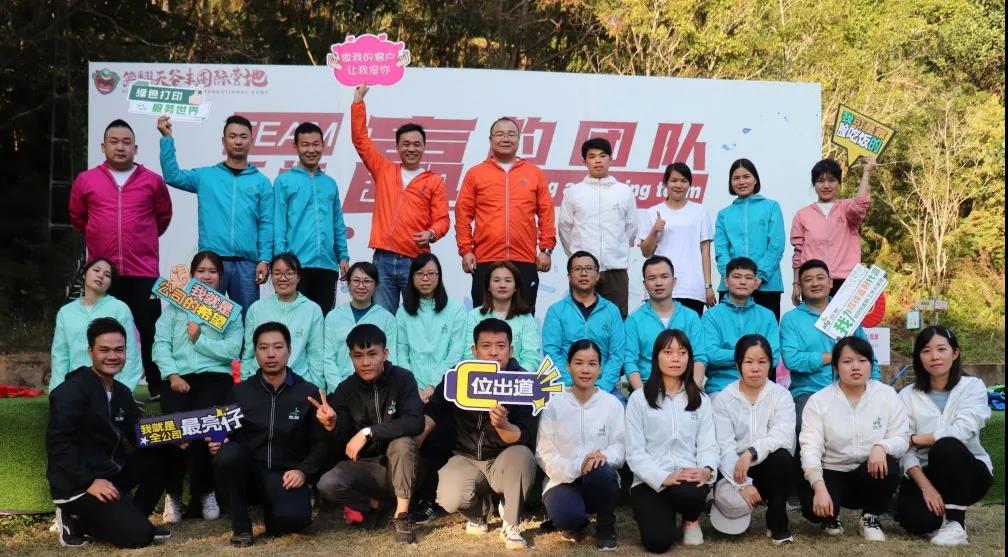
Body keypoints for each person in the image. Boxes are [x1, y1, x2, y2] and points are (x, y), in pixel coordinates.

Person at [69, 118, 172, 397]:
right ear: (103, 146)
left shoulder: (152, 181)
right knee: (100, 329)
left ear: (135, 148)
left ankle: (156, 385)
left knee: (150, 329)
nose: (120, 147)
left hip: (143, 269)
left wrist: (141, 239)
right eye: (114, 142)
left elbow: (163, 217)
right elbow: (79, 217)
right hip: (103, 272)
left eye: (126, 142)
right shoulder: (86, 180)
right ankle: (96, 386)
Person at [46, 317, 170, 548]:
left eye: (119, 350)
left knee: (164, 453)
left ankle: (132, 518)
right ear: (90, 351)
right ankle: (73, 517)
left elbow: (138, 435)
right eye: (104, 350)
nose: (113, 356)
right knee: (140, 537)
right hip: (79, 485)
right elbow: (58, 445)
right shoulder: (70, 391)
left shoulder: (121, 392)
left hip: (110, 475)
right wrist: (89, 482)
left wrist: (175, 438)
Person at [211, 322, 328, 547]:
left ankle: (276, 512)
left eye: (278, 347)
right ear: (255, 352)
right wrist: (219, 442)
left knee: (294, 521)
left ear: (289, 351)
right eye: (263, 348)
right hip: (249, 473)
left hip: (285, 475)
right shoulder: (240, 392)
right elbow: (224, 433)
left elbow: (320, 444)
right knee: (228, 455)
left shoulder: (307, 393)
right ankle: (241, 527)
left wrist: (303, 471)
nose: (271, 354)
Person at [426, 318, 539, 550]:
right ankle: (480, 513)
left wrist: (503, 425)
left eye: (501, 346)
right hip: (466, 457)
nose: (493, 352)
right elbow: (434, 411)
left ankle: (511, 523)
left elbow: (525, 435)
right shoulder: (458, 376)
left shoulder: (524, 381)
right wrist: (413, 439)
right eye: (486, 346)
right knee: (449, 497)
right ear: (474, 350)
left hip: (505, 458)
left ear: (511, 350)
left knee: (523, 455)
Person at [153, 250, 244, 524]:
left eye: (212, 271)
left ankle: (206, 491)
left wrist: (200, 339)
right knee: (175, 431)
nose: (206, 276)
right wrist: (172, 375)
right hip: (178, 378)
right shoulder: (175, 306)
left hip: (215, 378)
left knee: (206, 428)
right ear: (192, 275)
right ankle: (173, 495)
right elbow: (161, 344)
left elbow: (231, 350)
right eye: (201, 271)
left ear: (221, 276)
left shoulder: (229, 312)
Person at [313, 324, 424, 545]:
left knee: (402, 443)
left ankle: (402, 515)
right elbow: (339, 445)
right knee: (327, 483)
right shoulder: (345, 390)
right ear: (350, 357)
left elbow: (415, 421)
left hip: (403, 464)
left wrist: (369, 432)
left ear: (385, 353)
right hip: (367, 469)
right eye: (358, 356)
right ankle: (377, 506)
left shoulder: (403, 378)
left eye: (372, 354)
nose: (365, 362)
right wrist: (331, 426)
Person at [158, 114, 273, 317]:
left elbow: (266, 223)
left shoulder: (261, 182)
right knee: (205, 320)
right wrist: (167, 138)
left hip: (247, 265)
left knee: (248, 322)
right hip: (210, 264)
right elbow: (173, 176)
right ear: (223, 141)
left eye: (243, 137)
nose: (238, 141)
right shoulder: (206, 176)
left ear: (251, 141)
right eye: (233, 136)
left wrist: (264, 259)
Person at [350, 84, 450, 315]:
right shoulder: (384, 170)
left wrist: (431, 233)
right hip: (383, 259)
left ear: (424, 147)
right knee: (383, 319)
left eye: (416, 144)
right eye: (405, 144)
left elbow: (443, 220)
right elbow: (360, 140)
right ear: (397, 146)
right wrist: (358, 102)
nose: (411, 149)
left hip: (416, 262)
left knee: (418, 318)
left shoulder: (433, 180)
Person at [798, 336, 909, 541]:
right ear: (835, 366)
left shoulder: (887, 395)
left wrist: (881, 446)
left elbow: (902, 438)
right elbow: (810, 447)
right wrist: (819, 487)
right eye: (847, 361)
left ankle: (870, 516)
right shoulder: (819, 401)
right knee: (812, 506)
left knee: (890, 465)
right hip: (832, 471)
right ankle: (830, 517)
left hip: (869, 471)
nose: (855, 367)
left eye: (862, 360)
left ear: (871, 364)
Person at [896, 326, 993, 546]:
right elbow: (905, 449)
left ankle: (956, 523)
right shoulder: (907, 396)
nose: (934, 357)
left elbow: (963, 430)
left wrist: (915, 439)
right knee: (916, 522)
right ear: (919, 357)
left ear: (955, 353)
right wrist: (926, 487)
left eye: (941, 349)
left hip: (969, 471)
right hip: (926, 474)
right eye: (926, 351)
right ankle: (939, 517)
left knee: (947, 445)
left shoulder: (972, 386)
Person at [625, 329, 717, 553]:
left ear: (689, 358)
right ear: (656, 357)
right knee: (657, 543)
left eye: (682, 352)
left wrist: (706, 470)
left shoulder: (701, 399)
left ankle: (690, 519)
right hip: (650, 481)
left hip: (687, 477)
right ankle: (659, 514)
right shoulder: (639, 399)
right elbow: (634, 452)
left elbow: (708, 444)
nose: (675, 358)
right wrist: (663, 477)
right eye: (668, 352)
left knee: (690, 493)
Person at [455, 117, 557, 312]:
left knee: (523, 318)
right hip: (485, 258)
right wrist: (466, 250)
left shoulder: (534, 173)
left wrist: (546, 250)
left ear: (518, 139)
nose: (505, 139)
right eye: (500, 134)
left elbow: (546, 213)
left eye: (511, 134)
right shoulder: (476, 173)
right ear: (490, 139)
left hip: (524, 259)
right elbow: (463, 215)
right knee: (484, 319)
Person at [535, 339, 624, 550]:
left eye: (592, 364)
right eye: (579, 363)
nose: (585, 370)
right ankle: (572, 520)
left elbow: (620, 446)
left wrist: (601, 457)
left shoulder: (611, 404)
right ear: (568, 366)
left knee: (601, 470)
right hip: (561, 481)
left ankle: (605, 527)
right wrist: (578, 466)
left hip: (599, 479)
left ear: (600, 368)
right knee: (568, 518)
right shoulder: (554, 403)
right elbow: (544, 452)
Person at [710, 335, 796, 544]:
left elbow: (782, 435)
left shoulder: (781, 395)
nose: (755, 368)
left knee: (782, 457)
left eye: (762, 362)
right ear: (738, 364)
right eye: (749, 362)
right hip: (734, 469)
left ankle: (777, 521)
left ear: (770, 364)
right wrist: (744, 485)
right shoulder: (724, 399)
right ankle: (719, 500)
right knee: (733, 509)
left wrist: (751, 452)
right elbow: (724, 447)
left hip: (766, 464)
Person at [781, 259, 880, 426]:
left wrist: (875, 385)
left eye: (820, 278)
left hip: (851, 388)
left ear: (831, 282)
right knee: (805, 427)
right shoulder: (791, 319)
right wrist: (835, 356)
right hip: (809, 392)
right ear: (801, 286)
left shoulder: (847, 313)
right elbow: (792, 359)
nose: (815, 283)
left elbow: (868, 355)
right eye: (808, 279)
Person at [274, 121, 350, 314]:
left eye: (316, 144)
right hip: (295, 266)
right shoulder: (284, 181)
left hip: (327, 266)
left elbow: (337, 223)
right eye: (305, 145)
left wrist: (343, 256)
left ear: (323, 145)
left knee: (323, 320)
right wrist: (281, 262)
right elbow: (279, 225)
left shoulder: (330, 183)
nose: (311, 150)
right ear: (296, 146)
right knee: (292, 320)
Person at [557, 137, 637, 318]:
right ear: (584, 161)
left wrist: (615, 249)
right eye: (592, 157)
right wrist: (578, 257)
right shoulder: (573, 192)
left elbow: (630, 228)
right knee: (579, 319)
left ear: (611, 159)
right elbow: (565, 228)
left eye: (602, 155)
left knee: (616, 320)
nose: (598, 161)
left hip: (615, 270)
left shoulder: (624, 191)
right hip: (583, 270)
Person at [542, 251, 626, 402]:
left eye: (589, 268)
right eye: (578, 269)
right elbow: (552, 352)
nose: (584, 273)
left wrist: (602, 387)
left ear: (597, 275)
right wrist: (569, 385)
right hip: (565, 387)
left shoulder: (612, 311)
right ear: (569, 276)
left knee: (620, 407)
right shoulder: (556, 311)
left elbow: (617, 354)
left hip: (604, 386)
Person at [50, 258, 143, 392]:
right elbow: (60, 354)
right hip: (75, 386)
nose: (101, 276)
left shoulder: (120, 308)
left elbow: (131, 353)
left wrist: (125, 391)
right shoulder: (66, 312)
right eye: (96, 270)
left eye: (107, 275)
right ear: (84, 274)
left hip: (111, 386)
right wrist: (57, 391)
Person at [790, 157, 875, 303]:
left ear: (839, 182)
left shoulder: (848, 208)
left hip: (847, 282)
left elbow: (861, 204)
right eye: (820, 181)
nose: (826, 185)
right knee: (814, 318)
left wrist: (866, 173)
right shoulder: (802, 215)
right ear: (814, 184)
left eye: (832, 180)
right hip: (813, 282)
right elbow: (798, 252)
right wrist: (796, 284)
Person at [638, 162, 715, 316]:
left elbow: (705, 251)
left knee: (689, 331)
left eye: (683, 181)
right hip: (660, 286)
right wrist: (654, 231)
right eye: (673, 180)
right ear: (666, 183)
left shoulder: (699, 211)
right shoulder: (654, 212)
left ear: (689, 184)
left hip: (691, 288)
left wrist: (708, 286)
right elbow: (646, 252)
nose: (678, 185)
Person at [713, 159, 785, 319]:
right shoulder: (724, 214)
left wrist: (759, 277)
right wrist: (733, 279)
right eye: (736, 178)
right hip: (730, 289)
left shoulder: (771, 207)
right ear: (731, 182)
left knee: (764, 333)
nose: (741, 182)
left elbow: (776, 245)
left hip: (766, 286)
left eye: (746, 176)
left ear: (755, 179)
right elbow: (721, 250)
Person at [240, 253, 325, 388]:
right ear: (271, 276)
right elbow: (248, 352)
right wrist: (245, 383)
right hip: (260, 384)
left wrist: (318, 389)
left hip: (298, 384)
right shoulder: (256, 309)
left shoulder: (312, 310)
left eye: (289, 273)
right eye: (277, 273)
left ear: (298, 277)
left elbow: (316, 355)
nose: (283, 278)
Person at [623, 255, 706, 392]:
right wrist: (642, 394)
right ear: (644, 284)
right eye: (652, 278)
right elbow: (629, 361)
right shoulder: (634, 320)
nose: (658, 283)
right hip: (647, 387)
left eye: (664, 276)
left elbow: (699, 358)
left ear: (674, 281)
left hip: (685, 388)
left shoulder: (691, 317)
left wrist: (692, 391)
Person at [700, 257, 780, 395]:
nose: (743, 282)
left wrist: (734, 355)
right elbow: (711, 354)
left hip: (761, 389)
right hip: (721, 388)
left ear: (755, 282)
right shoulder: (711, 316)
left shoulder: (767, 316)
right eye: (737, 277)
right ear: (726, 281)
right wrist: (754, 357)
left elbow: (774, 357)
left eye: (749, 277)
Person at [395, 253, 465, 400]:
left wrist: (434, 384)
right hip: (412, 388)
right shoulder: (403, 311)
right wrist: (413, 386)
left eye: (431, 273)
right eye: (419, 274)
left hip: (446, 385)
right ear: (412, 277)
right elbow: (402, 353)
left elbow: (456, 352)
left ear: (439, 276)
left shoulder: (456, 309)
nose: (425, 278)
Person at [323, 261, 398, 391]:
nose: (361, 286)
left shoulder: (387, 319)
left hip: (375, 391)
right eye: (356, 281)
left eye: (367, 281)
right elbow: (328, 359)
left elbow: (390, 359)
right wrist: (340, 390)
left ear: (376, 285)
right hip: (339, 389)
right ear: (348, 284)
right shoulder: (333, 317)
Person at [462, 261, 541, 372]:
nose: (502, 285)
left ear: (516, 287)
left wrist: (513, 377)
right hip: (480, 377)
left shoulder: (526, 318)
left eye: (508, 281)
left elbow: (531, 357)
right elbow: (469, 355)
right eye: (496, 280)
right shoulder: (474, 316)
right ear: (488, 286)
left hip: (516, 378)